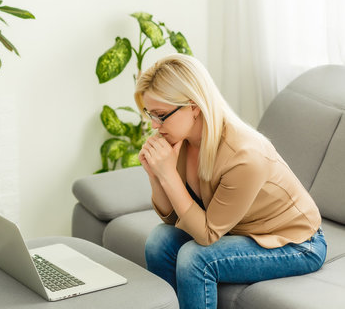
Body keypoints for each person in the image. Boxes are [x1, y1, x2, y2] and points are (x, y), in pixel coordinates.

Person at [135, 54, 326, 309]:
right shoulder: (181, 141)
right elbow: (174, 220)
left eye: (160, 115)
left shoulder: (244, 155)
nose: (154, 125)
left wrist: (168, 174)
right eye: (150, 114)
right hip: (239, 231)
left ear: (193, 106)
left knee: (195, 258)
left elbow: (207, 235)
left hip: (296, 243)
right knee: (160, 241)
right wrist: (156, 175)